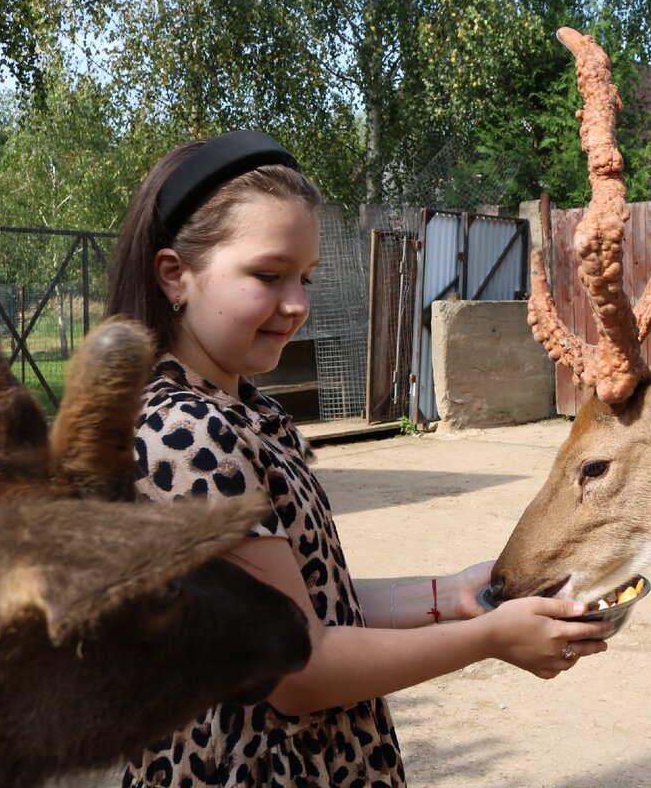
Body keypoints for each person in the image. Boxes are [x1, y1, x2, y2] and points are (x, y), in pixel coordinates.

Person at [106, 130, 612, 787]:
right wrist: (490, 639)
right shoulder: (188, 434)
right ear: (176, 274)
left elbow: (315, 605)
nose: (297, 304)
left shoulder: (246, 412)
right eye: (268, 275)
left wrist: (452, 596)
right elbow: (298, 670)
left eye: (305, 277)